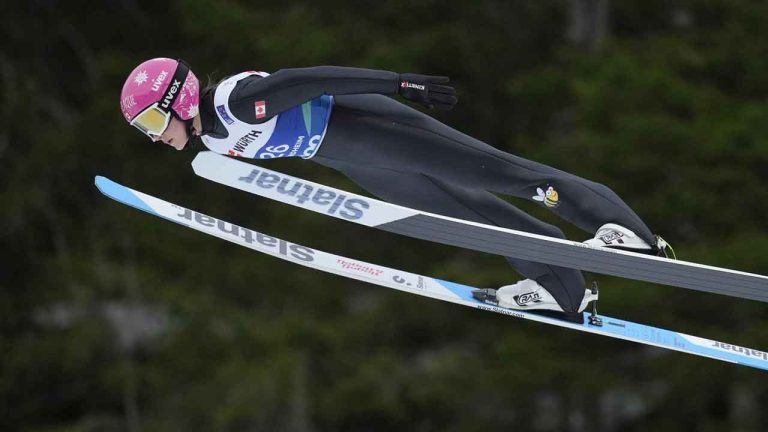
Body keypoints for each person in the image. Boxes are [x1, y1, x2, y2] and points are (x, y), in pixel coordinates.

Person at [119, 57, 671, 322]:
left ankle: (630, 235)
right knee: (466, 217)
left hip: (373, 128)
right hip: (354, 160)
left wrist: (401, 84)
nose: (156, 137)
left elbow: (314, 80)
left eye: (153, 122)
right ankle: (561, 288)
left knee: (506, 175)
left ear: (178, 101)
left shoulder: (235, 104)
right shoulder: (213, 142)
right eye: (146, 131)